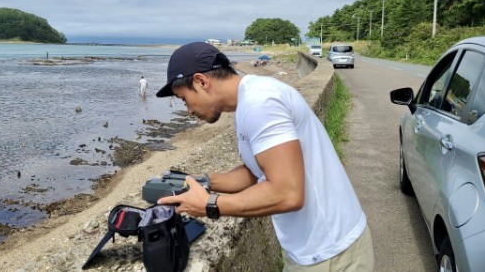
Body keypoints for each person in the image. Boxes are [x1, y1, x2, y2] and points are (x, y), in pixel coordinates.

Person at [156, 42, 374, 271]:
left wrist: (210, 204)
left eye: (183, 99)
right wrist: (202, 181)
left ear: (201, 81)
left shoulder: (260, 104)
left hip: (330, 253)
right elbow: (258, 171)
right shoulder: (250, 99)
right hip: (316, 248)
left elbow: (287, 193)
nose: (188, 110)